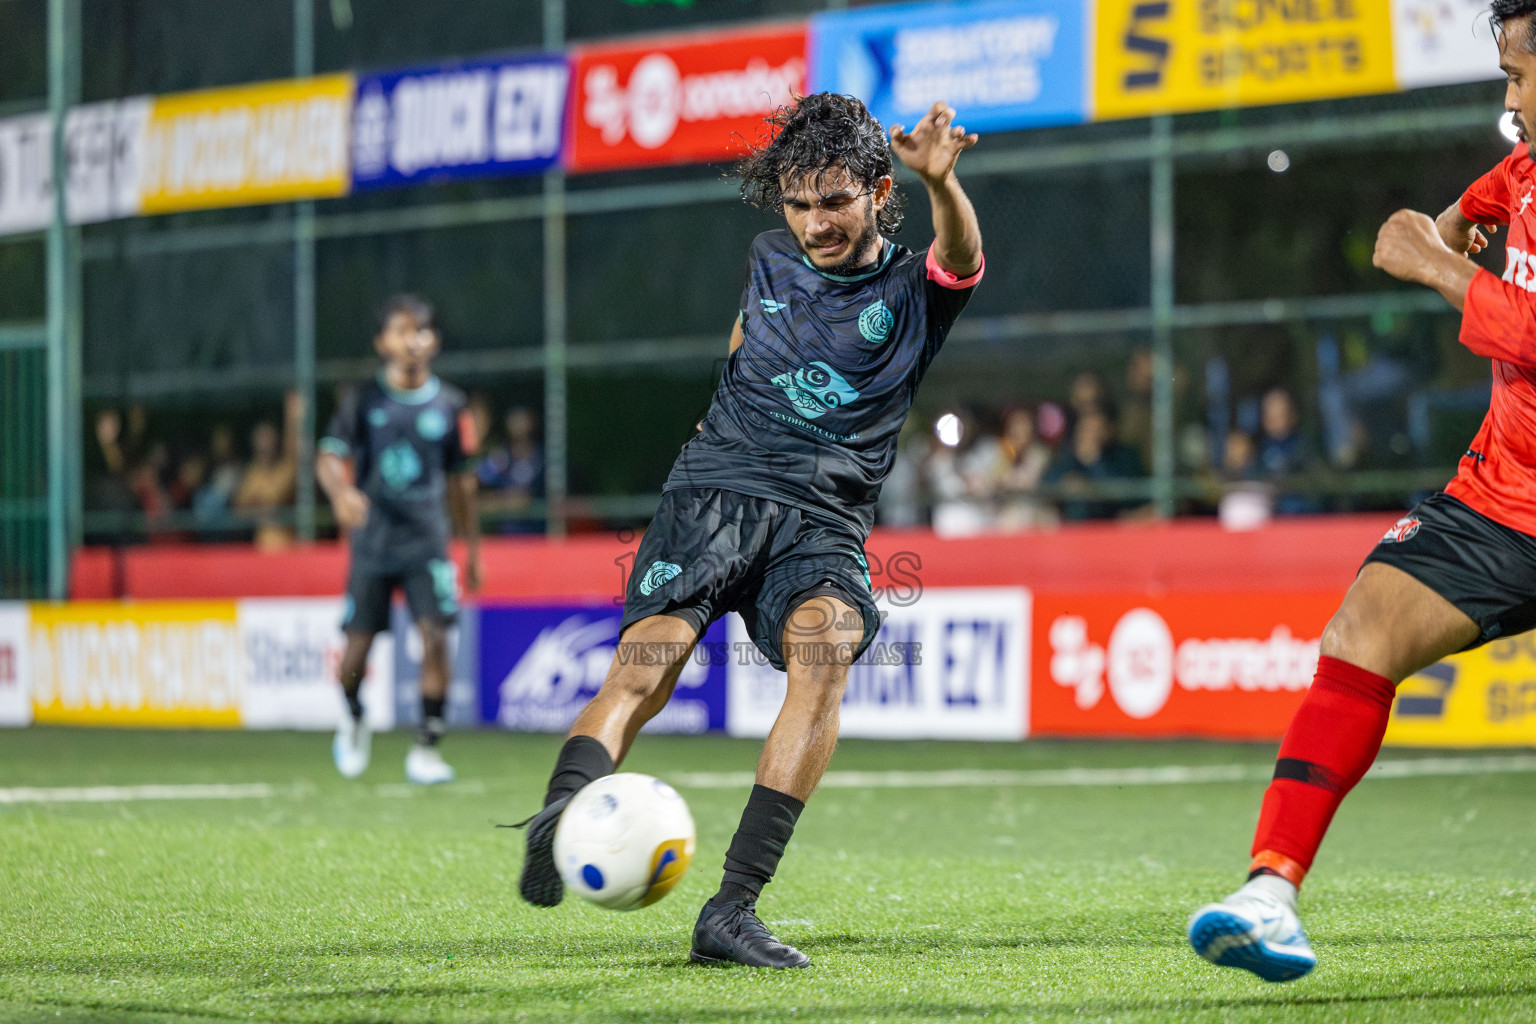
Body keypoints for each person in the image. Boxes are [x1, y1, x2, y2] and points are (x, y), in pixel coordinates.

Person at [513, 93, 983, 969]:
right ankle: (561, 813)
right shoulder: (768, 256)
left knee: (827, 650)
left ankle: (731, 910)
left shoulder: (914, 288)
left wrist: (944, 185)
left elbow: (963, 257)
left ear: (881, 192)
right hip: (716, 489)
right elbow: (741, 348)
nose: (815, 223)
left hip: (822, 517)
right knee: (645, 664)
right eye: (800, 204)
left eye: (835, 201)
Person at [1188, 0, 1536, 981]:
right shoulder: (1524, 168)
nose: (1506, 97)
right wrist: (1446, 232)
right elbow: (1445, 222)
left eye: (1516, 74)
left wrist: (1436, 265)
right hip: (1505, 497)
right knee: (1360, 632)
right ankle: (1269, 893)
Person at [317, 295, 481, 786]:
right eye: (401, 331)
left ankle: (427, 749)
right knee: (356, 651)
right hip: (373, 541)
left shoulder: (452, 406)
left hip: (427, 541)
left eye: (422, 331)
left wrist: (472, 551)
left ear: (434, 341)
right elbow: (327, 456)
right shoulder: (363, 399)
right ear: (381, 342)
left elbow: (464, 484)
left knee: (436, 639)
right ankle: (352, 712)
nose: (413, 340)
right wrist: (341, 491)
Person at [233, 392, 302, 551]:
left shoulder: (285, 467)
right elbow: (240, 509)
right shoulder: (252, 473)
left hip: (289, 546)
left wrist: (292, 418)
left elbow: (280, 492)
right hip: (262, 548)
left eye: (269, 437)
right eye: (261, 438)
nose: (265, 443)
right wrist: (262, 512)